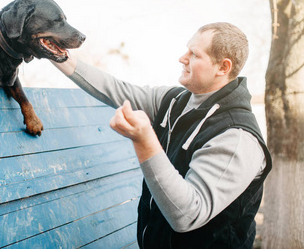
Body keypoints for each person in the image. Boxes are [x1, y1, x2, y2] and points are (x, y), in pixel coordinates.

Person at [51, 22, 272, 248]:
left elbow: (188, 215)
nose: (182, 58)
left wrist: (144, 141)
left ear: (223, 67)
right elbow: (117, 90)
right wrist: (56, 54)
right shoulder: (173, 101)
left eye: (194, 54)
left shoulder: (237, 137)